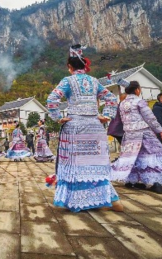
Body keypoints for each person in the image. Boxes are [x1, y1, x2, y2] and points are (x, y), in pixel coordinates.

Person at [46, 44, 122, 212]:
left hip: (75, 127)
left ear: (70, 67)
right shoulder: (94, 81)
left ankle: (76, 201)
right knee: (94, 162)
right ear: (84, 65)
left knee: (74, 165)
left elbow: (52, 100)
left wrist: (59, 117)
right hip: (94, 127)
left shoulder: (68, 81)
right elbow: (111, 98)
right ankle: (107, 198)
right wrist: (106, 115)